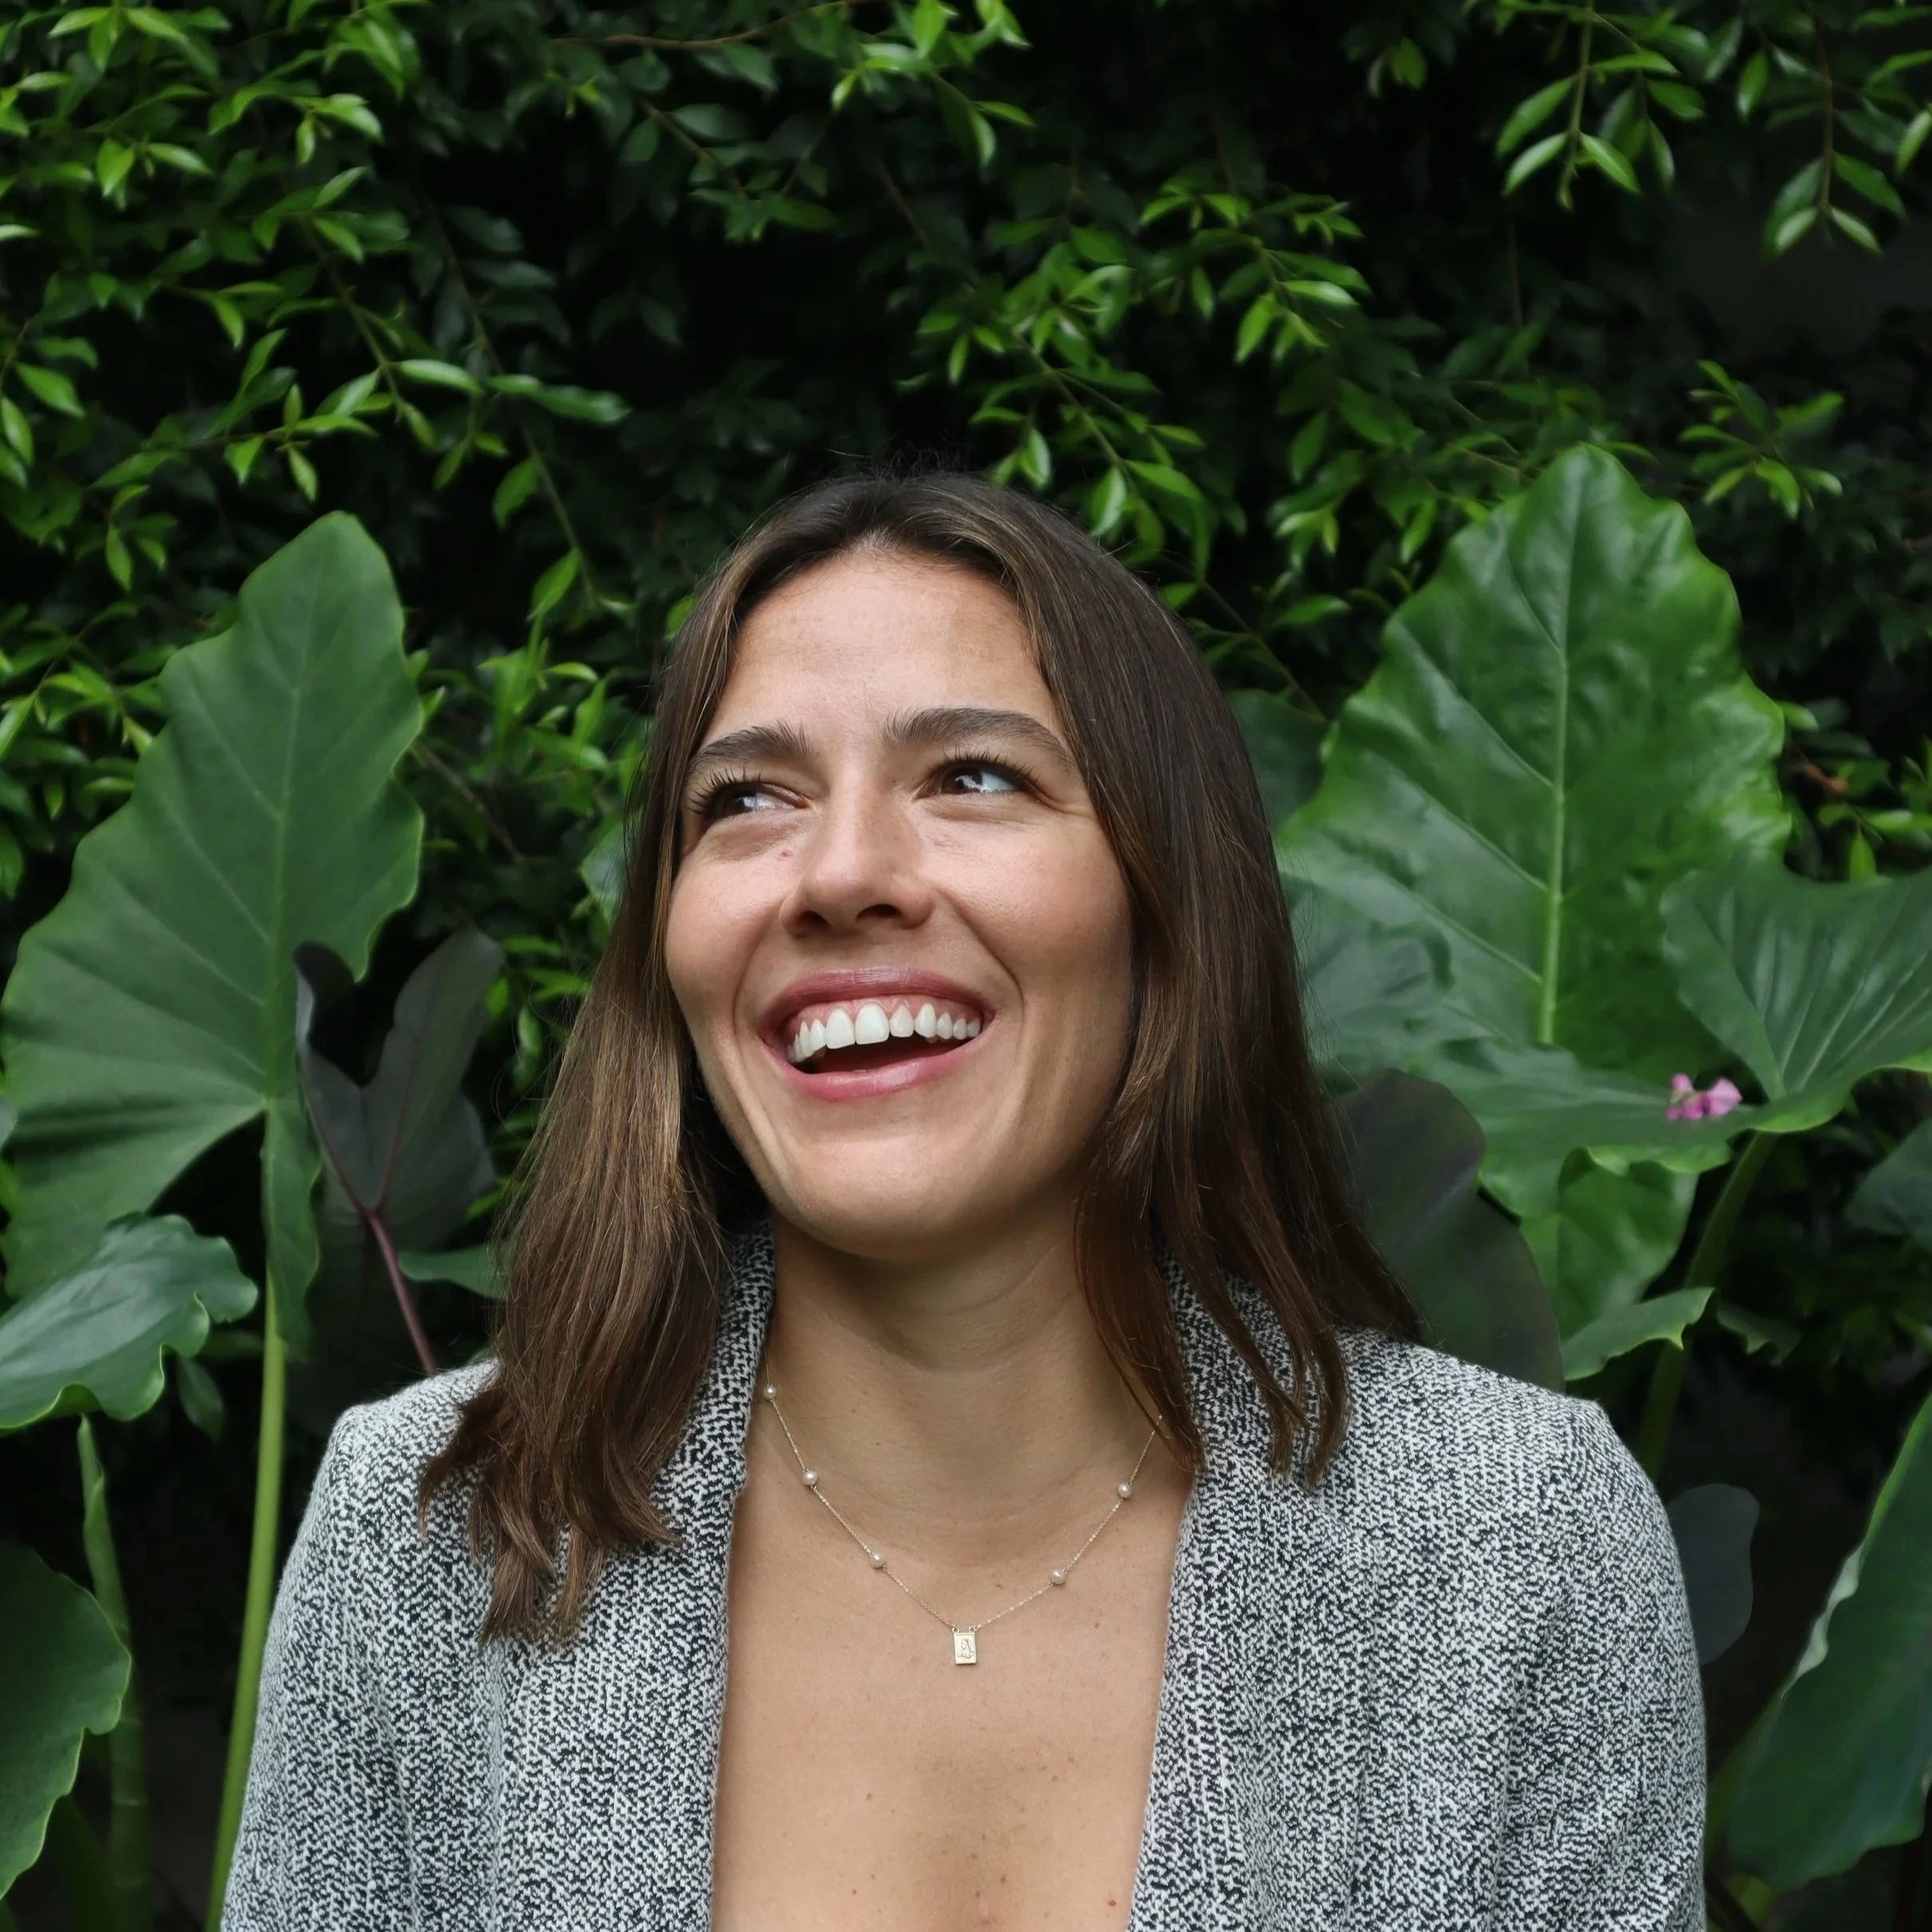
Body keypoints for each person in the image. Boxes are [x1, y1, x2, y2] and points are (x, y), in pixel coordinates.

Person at [222, 470, 1704, 1930]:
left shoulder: (1522, 1546)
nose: (842, 870)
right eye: (746, 799)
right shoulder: (425, 1529)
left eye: (972, 776)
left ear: (1167, 900)